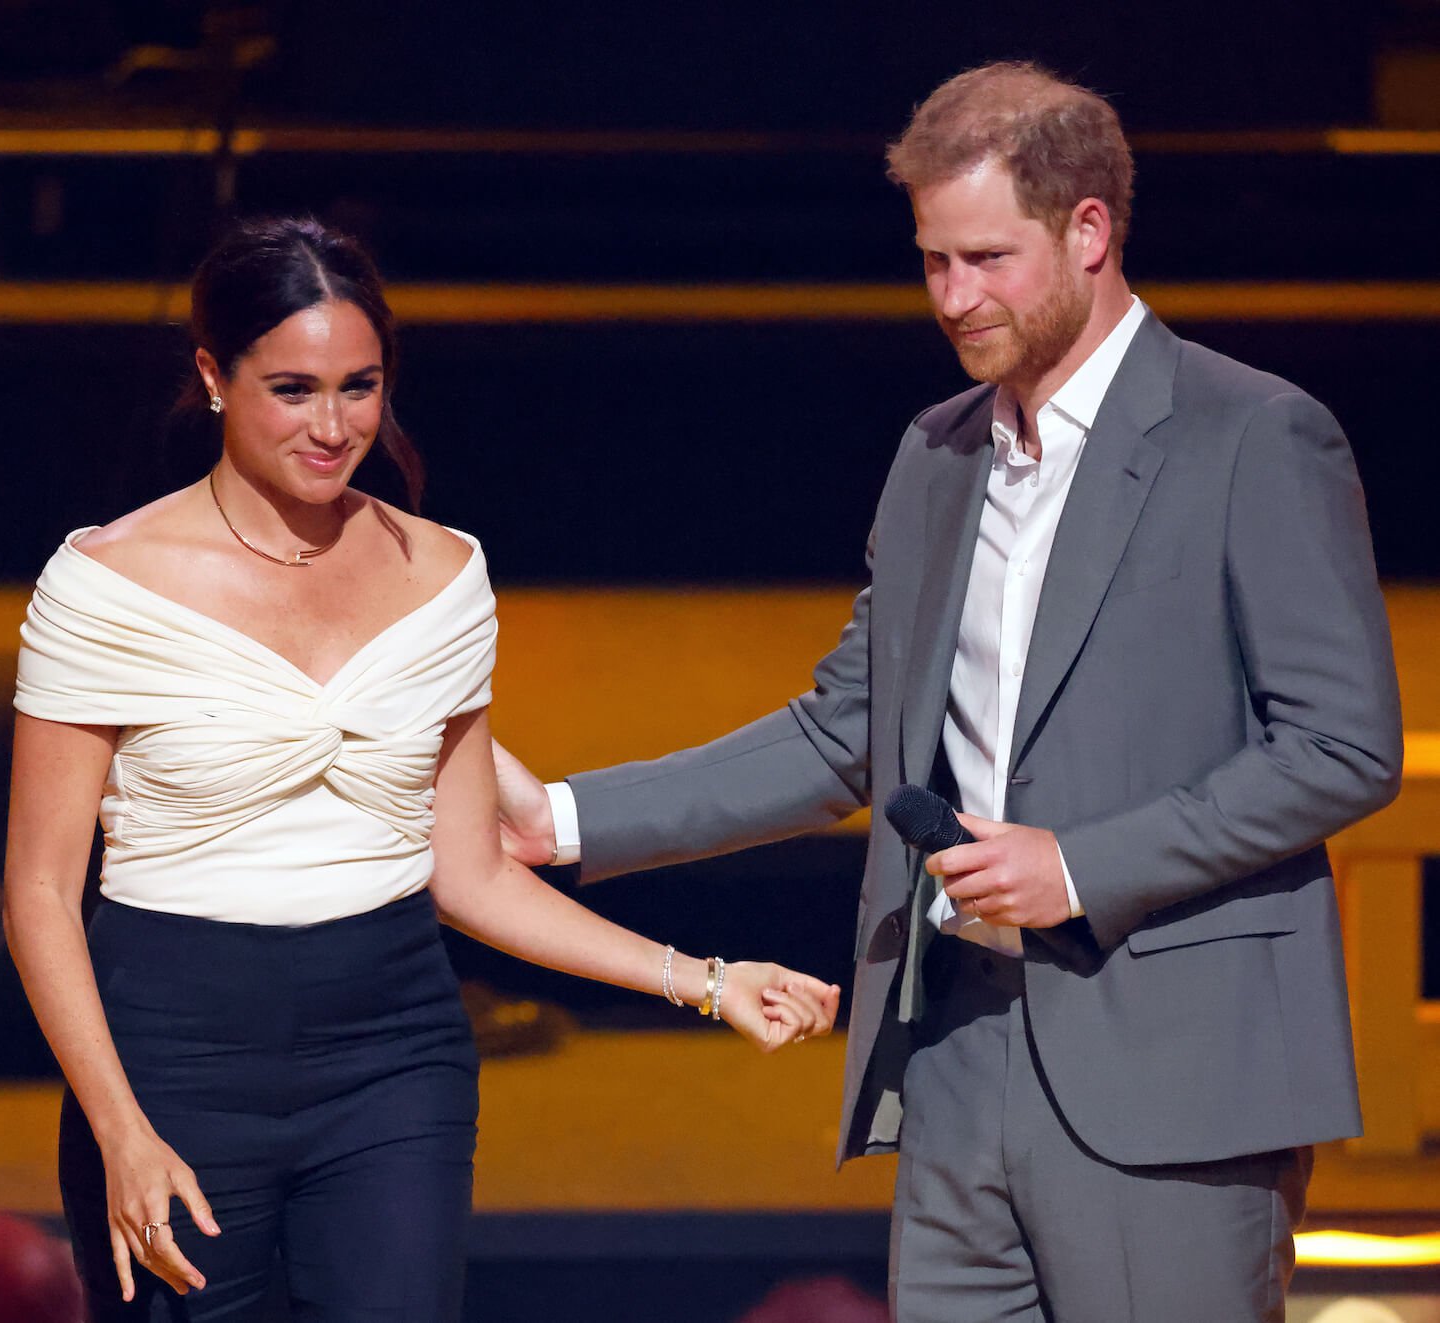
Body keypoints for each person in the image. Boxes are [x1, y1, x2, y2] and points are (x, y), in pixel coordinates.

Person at [492, 62, 1404, 1322]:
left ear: (1090, 230)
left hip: (1169, 1071)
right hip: (956, 1055)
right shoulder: (936, 454)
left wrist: (1081, 867)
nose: (953, 298)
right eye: (932, 262)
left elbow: (1343, 748)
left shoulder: (1252, 435)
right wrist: (564, 821)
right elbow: (846, 732)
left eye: (986, 258)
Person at [3, 216, 840, 1323]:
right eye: (293, 389)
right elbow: (39, 894)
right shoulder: (105, 585)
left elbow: (473, 876)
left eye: (361, 386)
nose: (334, 424)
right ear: (213, 374)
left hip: (392, 1048)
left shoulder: (443, 574)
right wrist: (120, 1129)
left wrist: (705, 977)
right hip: (174, 1055)